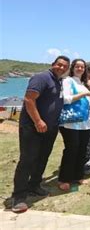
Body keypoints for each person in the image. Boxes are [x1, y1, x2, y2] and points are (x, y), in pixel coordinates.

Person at [11, 56, 70, 213]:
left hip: (49, 128)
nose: (62, 68)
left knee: (42, 157)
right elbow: (29, 100)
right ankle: (19, 196)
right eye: (59, 65)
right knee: (27, 160)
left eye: (65, 66)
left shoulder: (59, 82)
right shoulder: (41, 77)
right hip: (32, 127)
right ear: (53, 64)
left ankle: (34, 185)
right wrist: (38, 121)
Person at [58, 59, 90, 191]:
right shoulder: (68, 81)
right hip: (71, 123)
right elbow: (66, 99)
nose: (80, 69)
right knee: (71, 150)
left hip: (85, 123)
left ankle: (78, 176)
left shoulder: (84, 83)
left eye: (82, 67)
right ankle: (64, 178)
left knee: (82, 150)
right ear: (73, 68)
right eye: (77, 66)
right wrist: (85, 93)